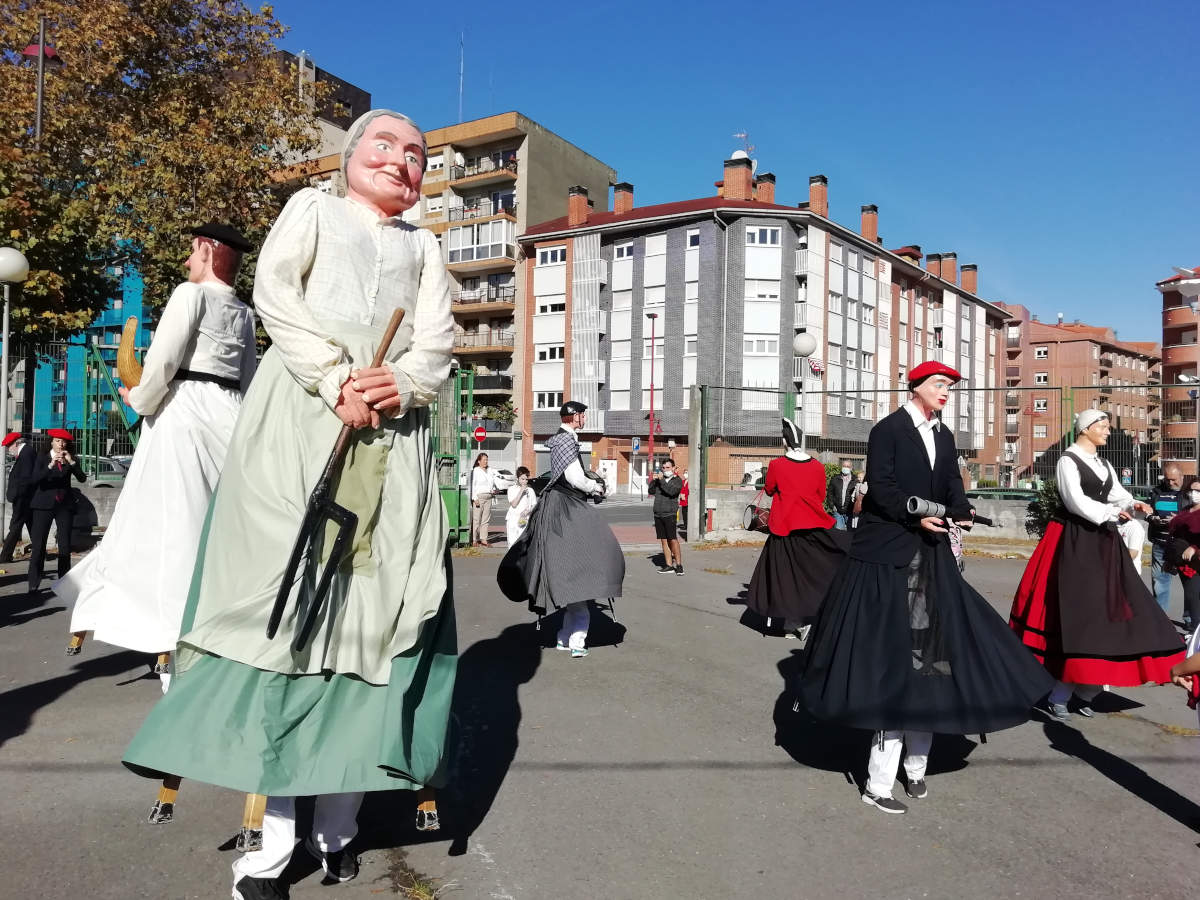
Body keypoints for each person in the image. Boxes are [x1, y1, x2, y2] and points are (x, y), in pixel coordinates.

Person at [121, 110, 458, 900]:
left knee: (368, 628)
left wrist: (401, 383)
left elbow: (436, 340)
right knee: (290, 623)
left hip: (393, 439)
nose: (403, 162)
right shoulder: (311, 208)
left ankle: (338, 832)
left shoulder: (427, 246)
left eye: (417, 155)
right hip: (302, 424)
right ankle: (270, 854)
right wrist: (337, 376)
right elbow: (277, 292)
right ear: (349, 158)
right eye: (385, 145)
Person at [801, 361, 1053, 815]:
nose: (946, 392)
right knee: (890, 661)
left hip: (932, 555)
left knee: (934, 658)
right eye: (940, 384)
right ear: (916, 386)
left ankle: (916, 767)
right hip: (886, 555)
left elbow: (952, 484)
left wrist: (962, 509)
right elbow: (882, 488)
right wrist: (914, 515)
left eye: (951, 386)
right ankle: (878, 783)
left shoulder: (943, 435)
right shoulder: (888, 429)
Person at [57, 223, 257, 687]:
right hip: (227, 417)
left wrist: (140, 400)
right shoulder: (243, 311)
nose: (187, 261)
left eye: (191, 251)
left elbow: (164, 361)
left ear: (208, 251)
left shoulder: (190, 296)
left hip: (183, 412)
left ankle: (168, 637)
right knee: (218, 527)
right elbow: (248, 378)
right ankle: (216, 633)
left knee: (167, 524)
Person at [1010, 408, 1185, 722]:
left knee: (1115, 610)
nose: (1106, 431)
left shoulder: (1103, 463)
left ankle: (1085, 690)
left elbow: (1117, 494)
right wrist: (1109, 513)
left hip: (1103, 541)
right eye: (1102, 426)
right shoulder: (1068, 460)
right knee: (1083, 616)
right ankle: (1061, 694)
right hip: (1075, 542)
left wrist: (1134, 503)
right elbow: (1074, 500)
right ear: (1086, 428)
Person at [498, 400, 623, 659]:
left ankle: (564, 638)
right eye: (583, 415)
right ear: (575, 417)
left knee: (566, 570)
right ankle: (577, 641)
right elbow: (574, 478)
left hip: (554, 504)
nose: (585, 418)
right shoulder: (567, 440)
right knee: (594, 551)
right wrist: (595, 488)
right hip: (566, 505)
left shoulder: (559, 439)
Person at [745, 419, 849, 639]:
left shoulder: (776, 465)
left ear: (785, 441)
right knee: (810, 574)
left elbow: (771, 490)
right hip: (813, 528)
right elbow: (820, 496)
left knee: (784, 577)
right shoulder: (818, 466)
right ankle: (803, 621)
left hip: (784, 529)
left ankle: (792, 623)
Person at [28, 429, 87, 593]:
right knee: (39, 545)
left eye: (64, 441)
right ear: (51, 442)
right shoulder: (42, 457)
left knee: (65, 545)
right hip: (43, 505)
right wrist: (50, 465)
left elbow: (82, 478)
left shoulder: (70, 458)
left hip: (64, 506)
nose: (61, 444)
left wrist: (72, 462)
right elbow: (34, 479)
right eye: (58, 441)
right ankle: (34, 582)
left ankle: (64, 582)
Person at [1148, 464, 1189, 612]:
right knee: (1160, 583)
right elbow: (1147, 512)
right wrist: (1153, 518)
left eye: (1174, 479)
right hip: (1161, 546)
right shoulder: (1156, 492)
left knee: (1190, 584)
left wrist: (1179, 519)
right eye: (1167, 479)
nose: (1170, 483)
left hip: (1185, 547)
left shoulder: (1191, 493)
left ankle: (1191, 621)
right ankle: (1161, 620)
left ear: (1182, 476)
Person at [1167, 476, 1200, 632]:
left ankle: (1195, 630)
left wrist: (1194, 547)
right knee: (1190, 595)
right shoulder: (1187, 510)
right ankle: (1194, 626)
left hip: (1196, 561)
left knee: (1194, 595)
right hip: (1183, 561)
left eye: (1198, 491)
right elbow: (1176, 534)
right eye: (1192, 490)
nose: (1194, 493)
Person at [0, 431, 36, 562]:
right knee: (32, 527)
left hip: (23, 499)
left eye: (9, 446)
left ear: (16, 443)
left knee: (15, 526)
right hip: (24, 498)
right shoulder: (24, 453)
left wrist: (18, 495)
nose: (8, 450)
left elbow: (26, 478)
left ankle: (5, 556)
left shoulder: (26, 453)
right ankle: (40, 553)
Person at [649, 458, 684, 575]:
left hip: (670, 513)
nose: (665, 470)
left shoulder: (677, 480)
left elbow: (671, 492)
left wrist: (661, 481)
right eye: (663, 468)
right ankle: (668, 565)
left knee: (672, 539)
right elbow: (651, 491)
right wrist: (654, 481)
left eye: (668, 468)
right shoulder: (660, 480)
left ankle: (679, 565)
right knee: (663, 540)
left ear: (673, 468)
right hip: (658, 513)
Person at [505, 466, 537, 546]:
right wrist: (521, 491)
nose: (525, 482)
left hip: (525, 519)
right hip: (513, 519)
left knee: (523, 543)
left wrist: (528, 511)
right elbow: (514, 504)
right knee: (512, 542)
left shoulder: (530, 490)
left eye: (526, 479)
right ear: (517, 478)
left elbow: (534, 505)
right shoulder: (511, 489)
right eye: (522, 479)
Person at [825, 460, 858, 530]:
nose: (845, 468)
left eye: (848, 466)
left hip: (850, 512)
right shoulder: (835, 479)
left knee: (850, 532)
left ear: (851, 468)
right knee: (839, 531)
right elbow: (830, 493)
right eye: (844, 466)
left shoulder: (855, 480)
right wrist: (832, 506)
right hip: (838, 511)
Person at [679, 468, 690, 541]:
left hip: (687, 499)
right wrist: (680, 494)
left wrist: (686, 496)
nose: (685, 474)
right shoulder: (683, 481)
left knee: (687, 512)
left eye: (686, 472)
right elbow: (680, 489)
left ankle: (688, 525)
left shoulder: (690, 482)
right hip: (682, 499)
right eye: (684, 472)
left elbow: (689, 491)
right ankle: (685, 525)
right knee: (683, 513)